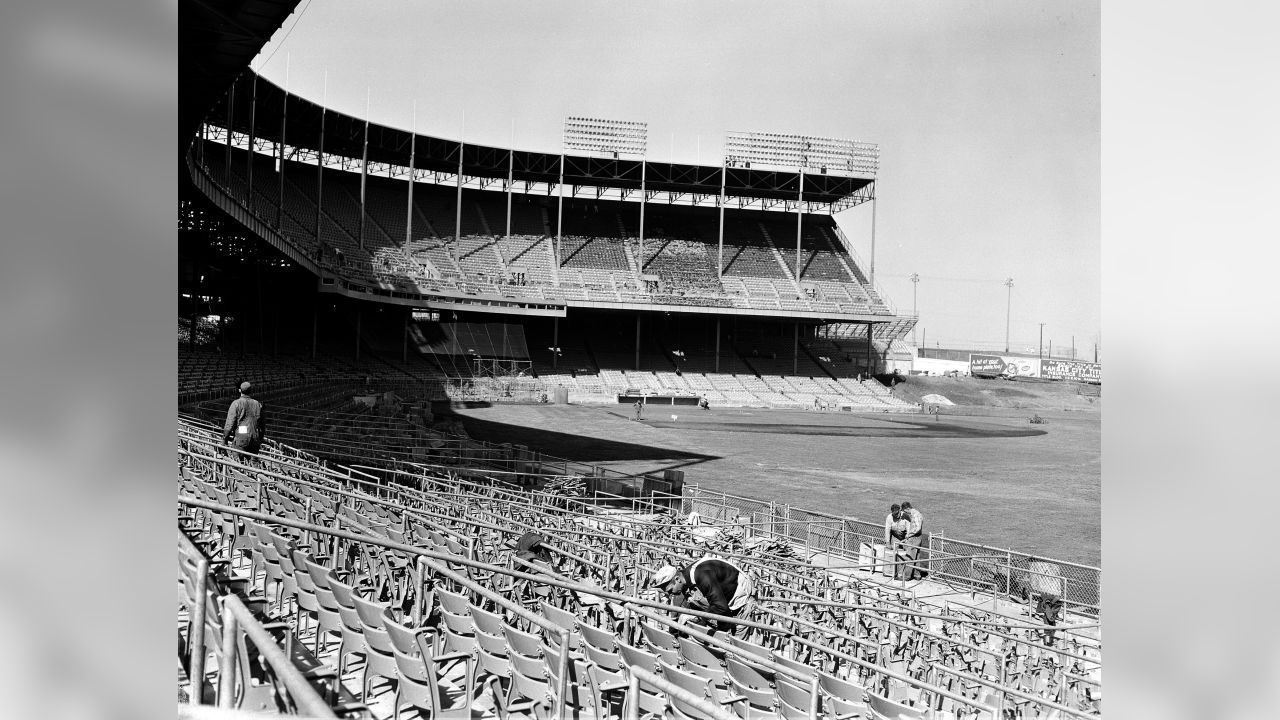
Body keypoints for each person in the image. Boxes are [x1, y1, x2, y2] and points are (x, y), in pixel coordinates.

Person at [651, 557, 755, 634]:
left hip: (740, 599)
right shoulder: (684, 581)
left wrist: (697, 617)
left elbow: (721, 607)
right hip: (722, 601)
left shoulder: (702, 575)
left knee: (736, 643)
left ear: (677, 579)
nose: (670, 594)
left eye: (670, 590)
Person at [223, 381, 265, 463]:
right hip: (254, 436)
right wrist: (260, 438)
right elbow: (262, 425)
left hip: (242, 435)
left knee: (238, 462)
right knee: (253, 463)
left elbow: (229, 424)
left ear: (239, 390)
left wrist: (225, 439)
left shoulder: (236, 403)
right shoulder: (258, 404)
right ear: (251, 391)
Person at [900, 501, 927, 580]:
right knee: (916, 557)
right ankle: (917, 574)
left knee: (910, 556)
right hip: (917, 537)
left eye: (905, 511)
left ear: (907, 508)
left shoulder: (916, 515)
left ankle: (907, 576)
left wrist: (909, 534)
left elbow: (917, 528)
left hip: (914, 537)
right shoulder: (916, 514)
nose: (906, 513)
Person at [884, 504, 911, 580]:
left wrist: (906, 539)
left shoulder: (906, 516)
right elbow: (887, 530)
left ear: (900, 511)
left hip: (905, 537)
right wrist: (888, 542)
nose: (896, 516)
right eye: (894, 514)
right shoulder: (889, 517)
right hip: (895, 537)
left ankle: (906, 573)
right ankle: (893, 572)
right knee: (893, 553)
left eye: (897, 514)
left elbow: (909, 529)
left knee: (907, 553)